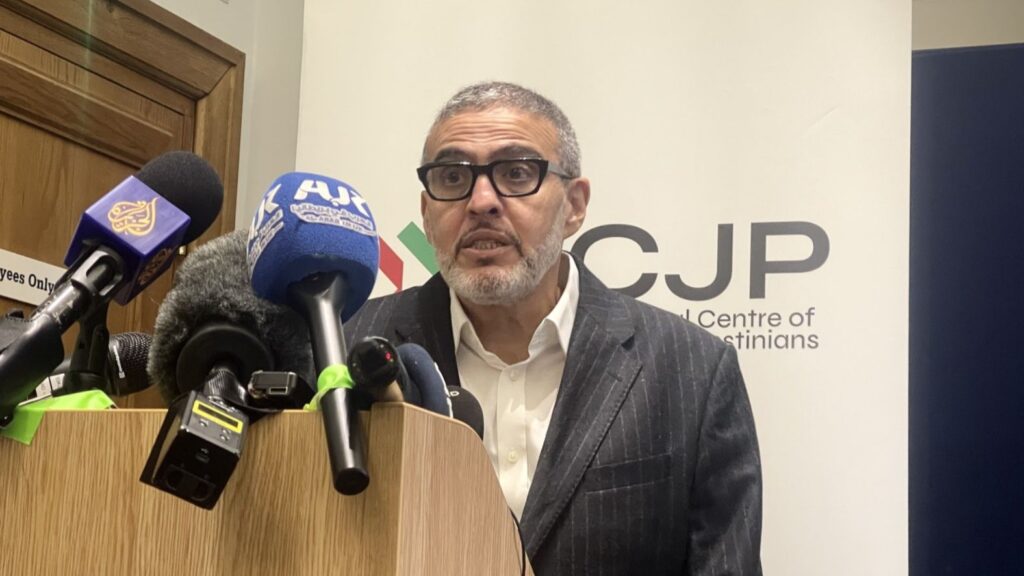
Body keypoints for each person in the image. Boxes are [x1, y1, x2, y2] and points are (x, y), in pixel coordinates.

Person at [345, 81, 762, 575]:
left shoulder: (691, 369)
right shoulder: (346, 344)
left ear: (574, 205)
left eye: (517, 173)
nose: (481, 201)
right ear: (426, 213)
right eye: (453, 177)